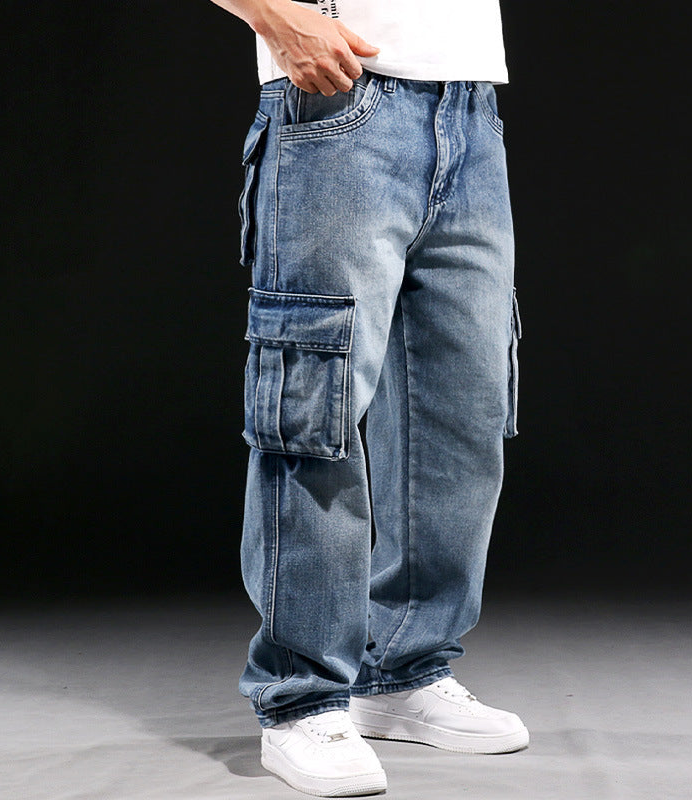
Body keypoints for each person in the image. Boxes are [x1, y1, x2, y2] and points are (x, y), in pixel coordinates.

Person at [209, 0, 527, 795]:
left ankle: (404, 669)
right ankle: (301, 698)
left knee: (463, 409)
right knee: (313, 406)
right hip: (341, 104)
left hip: (470, 108)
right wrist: (274, 14)